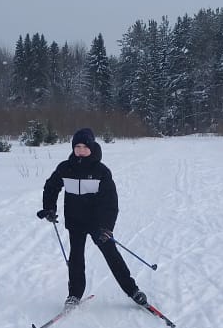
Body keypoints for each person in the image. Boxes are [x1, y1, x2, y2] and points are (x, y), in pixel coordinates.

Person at [37, 127, 148, 308]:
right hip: (75, 221)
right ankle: (74, 295)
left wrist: (107, 226)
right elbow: (51, 187)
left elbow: (110, 202)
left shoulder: (101, 171)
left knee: (112, 255)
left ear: (92, 147)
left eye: (84, 146)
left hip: (97, 224)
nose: (81, 150)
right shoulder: (65, 168)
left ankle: (133, 290)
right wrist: (49, 208)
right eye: (77, 146)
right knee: (76, 259)